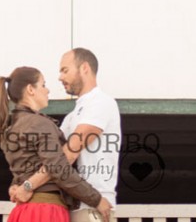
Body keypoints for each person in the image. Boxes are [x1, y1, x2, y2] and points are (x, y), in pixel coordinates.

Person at [0, 66, 113, 222]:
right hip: (46, 212)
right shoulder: (40, 124)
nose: (47, 90)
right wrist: (96, 199)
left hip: (23, 212)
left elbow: (26, 167)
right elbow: (59, 169)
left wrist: (17, 186)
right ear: (30, 90)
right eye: (43, 85)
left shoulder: (11, 128)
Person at [12, 49, 121, 218]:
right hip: (72, 205)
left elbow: (67, 155)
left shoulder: (101, 103)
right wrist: (17, 183)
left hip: (94, 206)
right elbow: (48, 158)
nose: (60, 77)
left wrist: (27, 185)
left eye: (65, 70)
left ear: (84, 68)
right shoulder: (72, 116)